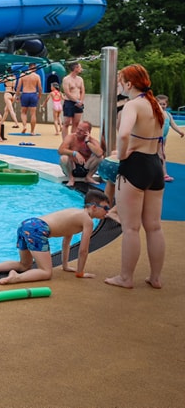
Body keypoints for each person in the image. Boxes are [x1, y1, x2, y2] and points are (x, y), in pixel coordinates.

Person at [105, 64, 167, 289]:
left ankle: (126, 277)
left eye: (121, 80)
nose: (119, 84)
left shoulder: (133, 105)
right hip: (154, 166)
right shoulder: (156, 107)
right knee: (154, 226)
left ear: (129, 84)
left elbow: (123, 134)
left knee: (131, 227)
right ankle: (156, 277)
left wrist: (122, 154)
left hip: (134, 167)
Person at [0, 189, 109, 284]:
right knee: (46, 273)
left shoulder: (75, 213)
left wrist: (66, 266)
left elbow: (66, 241)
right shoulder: (87, 221)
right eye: (105, 208)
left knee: (25, 264)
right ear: (93, 207)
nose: (107, 212)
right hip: (38, 229)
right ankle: (16, 278)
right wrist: (80, 273)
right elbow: (83, 250)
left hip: (27, 224)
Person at [58, 121, 105, 187]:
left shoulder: (91, 140)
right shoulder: (71, 137)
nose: (78, 131)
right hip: (72, 168)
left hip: (86, 168)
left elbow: (100, 153)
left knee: (100, 157)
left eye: (81, 130)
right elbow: (60, 150)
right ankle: (71, 178)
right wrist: (75, 153)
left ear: (87, 132)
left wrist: (87, 142)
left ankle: (88, 177)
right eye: (78, 129)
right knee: (64, 158)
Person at [156, 94, 184, 182]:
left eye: (163, 104)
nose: (162, 106)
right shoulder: (156, 114)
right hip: (157, 138)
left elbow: (173, 124)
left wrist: (180, 131)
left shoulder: (168, 114)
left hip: (164, 138)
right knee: (162, 155)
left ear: (167, 105)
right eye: (160, 104)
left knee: (158, 155)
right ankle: (164, 174)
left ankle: (156, 172)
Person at [61, 61, 85, 139]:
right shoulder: (66, 79)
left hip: (79, 102)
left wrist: (81, 101)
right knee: (66, 123)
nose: (81, 69)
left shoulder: (80, 79)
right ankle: (65, 141)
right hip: (69, 102)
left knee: (76, 123)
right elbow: (67, 92)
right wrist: (76, 101)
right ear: (75, 68)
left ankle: (73, 141)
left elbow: (82, 91)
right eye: (80, 67)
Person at [17, 63, 43, 135]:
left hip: (25, 94)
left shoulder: (23, 75)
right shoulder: (37, 76)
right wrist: (39, 95)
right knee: (33, 114)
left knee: (23, 112)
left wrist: (17, 96)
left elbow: (19, 87)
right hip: (33, 94)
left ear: (28, 68)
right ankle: (32, 131)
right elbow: (40, 88)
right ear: (35, 68)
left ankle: (24, 126)